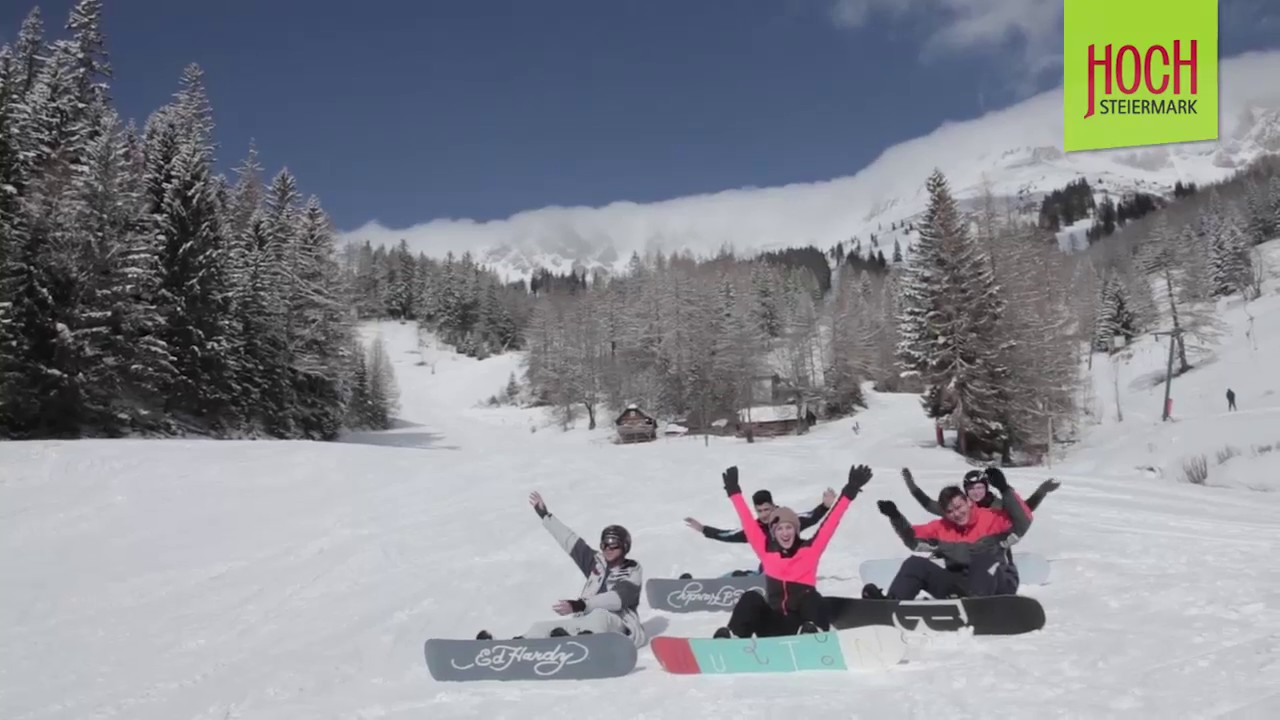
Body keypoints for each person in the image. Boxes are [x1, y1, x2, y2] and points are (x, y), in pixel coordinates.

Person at [713, 463, 872, 638]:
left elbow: (832, 522)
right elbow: (748, 522)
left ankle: (815, 634)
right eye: (779, 529)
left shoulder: (810, 549)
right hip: (773, 626)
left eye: (788, 527)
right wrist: (734, 492)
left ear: (795, 530)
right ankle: (733, 637)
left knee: (813, 598)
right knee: (751, 597)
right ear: (774, 533)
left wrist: (850, 491)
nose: (785, 533)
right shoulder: (766, 550)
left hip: (800, 626)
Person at [476, 491, 646, 646]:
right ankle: (509, 648)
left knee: (599, 616)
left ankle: (585, 643)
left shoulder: (632, 570)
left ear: (624, 547)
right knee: (539, 627)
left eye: (614, 545)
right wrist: (545, 515)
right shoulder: (596, 563)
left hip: (618, 626)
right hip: (585, 621)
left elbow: (617, 599)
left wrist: (581, 605)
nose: (608, 549)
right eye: (604, 545)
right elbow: (570, 540)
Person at [863, 467, 1032, 601]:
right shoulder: (942, 528)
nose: (956, 514)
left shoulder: (991, 518)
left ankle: (976, 602)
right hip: (959, 589)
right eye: (950, 511)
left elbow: (1023, 522)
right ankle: (891, 604)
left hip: (998, 585)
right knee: (914, 564)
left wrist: (1005, 489)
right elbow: (913, 541)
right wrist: (895, 517)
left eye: (959, 507)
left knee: (983, 559)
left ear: (968, 502)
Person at [684, 487, 836, 575]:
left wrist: (825, 506)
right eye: (759, 511)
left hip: (793, 567)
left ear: (773, 506)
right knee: (737, 575)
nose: (763, 515)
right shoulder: (755, 528)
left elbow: (811, 517)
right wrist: (704, 529)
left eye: (766, 509)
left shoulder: (787, 520)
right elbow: (729, 535)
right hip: (768, 570)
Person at [902, 467, 1059, 515]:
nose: (976, 493)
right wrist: (911, 485)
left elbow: (1024, 510)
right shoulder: (959, 507)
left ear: (986, 488)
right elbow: (929, 505)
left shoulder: (997, 505)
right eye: (971, 489)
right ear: (966, 491)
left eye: (980, 488)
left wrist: (1042, 490)